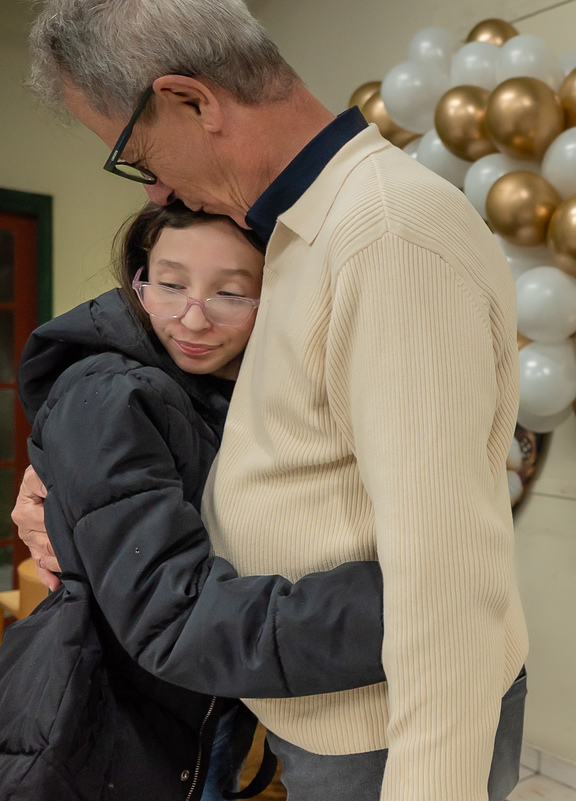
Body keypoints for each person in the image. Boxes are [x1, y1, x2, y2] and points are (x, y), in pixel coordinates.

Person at [20, 2, 528, 799]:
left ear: (192, 101)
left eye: (133, 152)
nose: (153, 188)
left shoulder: (384, 235)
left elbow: (445, 579)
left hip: (381, 727)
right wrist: (63, 489)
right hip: (312, 705)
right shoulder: (292, 229)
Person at [0, 202, 388, 800]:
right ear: (139, 279)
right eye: (170, 284)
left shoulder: (229, 388)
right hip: (114, 718)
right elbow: (171, 619)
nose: (193, 318)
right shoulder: (114, 395)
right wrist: (402, 610)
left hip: (201, 707)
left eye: (230, 293)